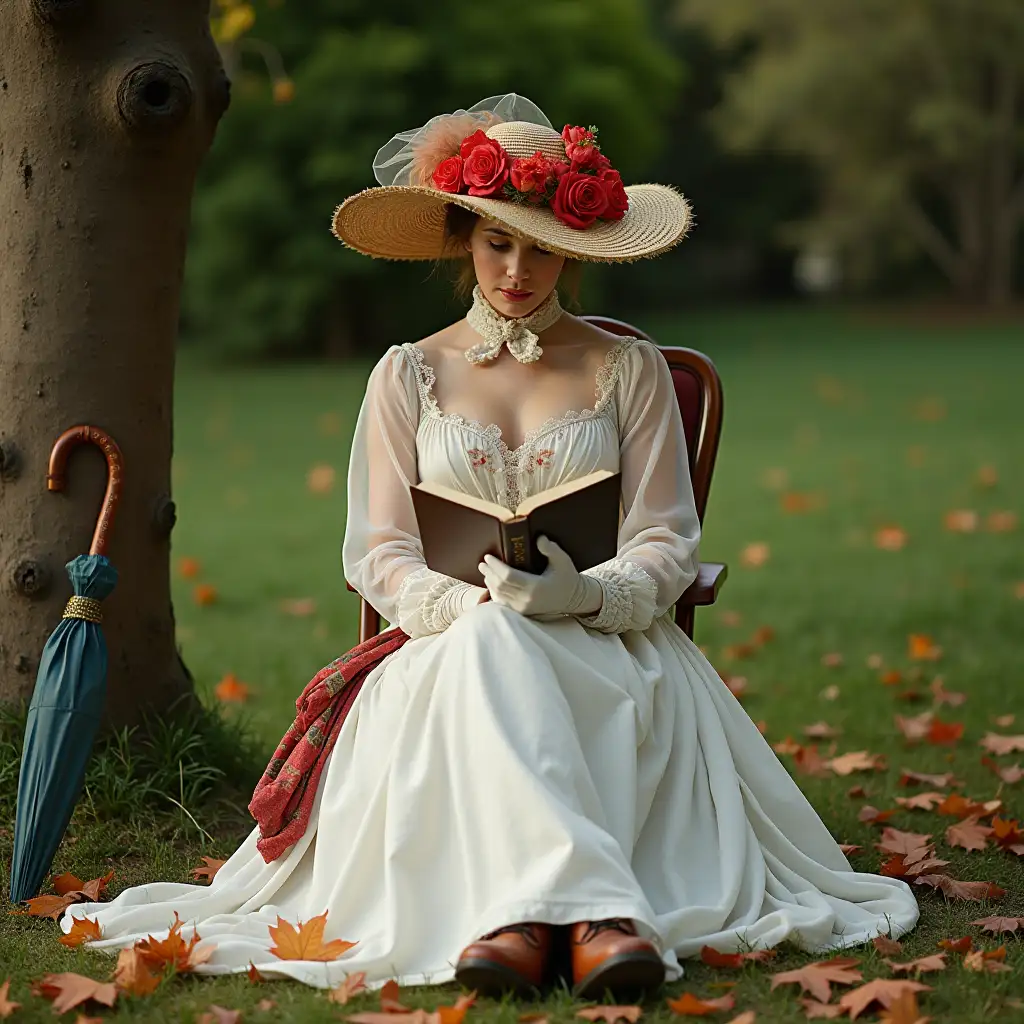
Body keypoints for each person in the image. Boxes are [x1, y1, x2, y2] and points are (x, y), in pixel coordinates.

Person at [62, 92, 919, 1000]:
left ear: (573, 250)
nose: (517, 267)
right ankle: (594, 919)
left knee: (518, 642)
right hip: (448, 650)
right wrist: (469, 607)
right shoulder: (406, 374)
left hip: (607, 648)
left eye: (541, 245)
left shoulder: (628, 371)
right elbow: (378, 550)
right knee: (492, 643)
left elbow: (667, 540)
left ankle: (521, 922)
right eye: (497, 241)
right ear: (463, 237)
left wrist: (581, 595)